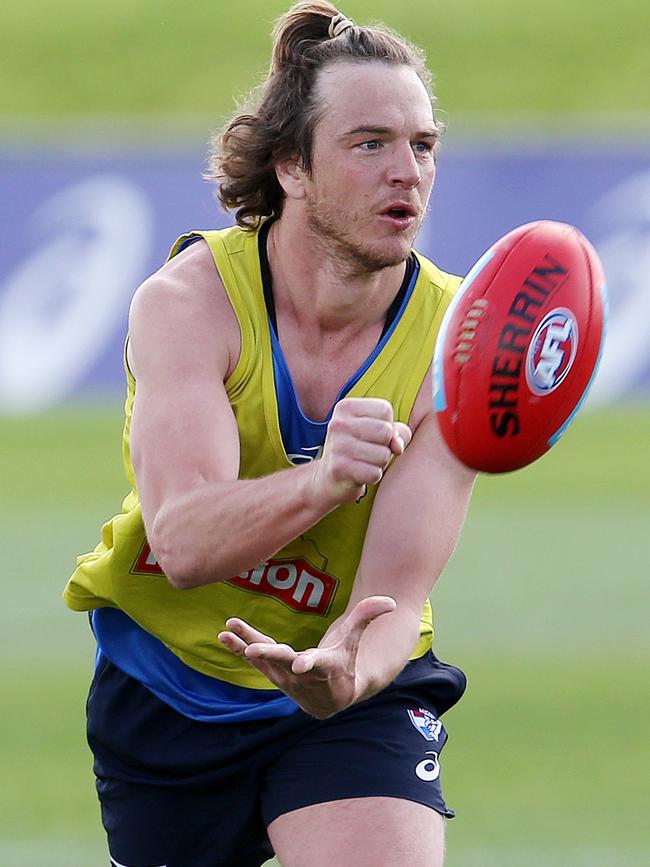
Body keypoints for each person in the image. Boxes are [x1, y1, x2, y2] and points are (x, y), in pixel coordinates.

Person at [64, 3, 476, 865]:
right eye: (369, 144)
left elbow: (397, 590)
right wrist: (325, 478)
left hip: (349, 689)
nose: (406, 172)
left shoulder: (454, 336)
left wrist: (345, 674)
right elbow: (183, 542)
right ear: (291, 165)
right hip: (170, 685)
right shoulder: (188, 302)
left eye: (423, 145)